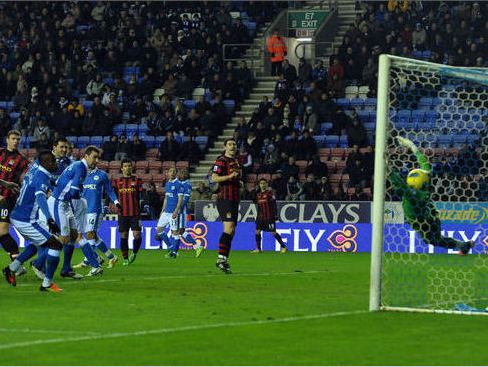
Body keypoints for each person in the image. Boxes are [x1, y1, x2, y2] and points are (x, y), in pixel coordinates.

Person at [392, 137, 473, 254]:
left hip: (421, 222)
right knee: (437, 239)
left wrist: (389, 171)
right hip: (432, 217)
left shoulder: (412, 196)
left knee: (432, 241)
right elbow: (424, 163)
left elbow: (400, 186)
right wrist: (412, 146)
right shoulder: (426, 182)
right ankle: (464, 245)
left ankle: (463, 245)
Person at [2, 151, 63, 292]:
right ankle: (47, 284)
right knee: (56, 244)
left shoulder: (35, 167)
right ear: (45, 163)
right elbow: (41, 198)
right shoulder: (41, 177)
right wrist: (49, 219)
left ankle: (11, 269)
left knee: (37, 244)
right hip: (26, 219)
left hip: (21, 215)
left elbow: (46, 178)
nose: (55, 163)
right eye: (52, 161)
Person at [43, 146, 102, 279]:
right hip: (58, 202)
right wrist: (79, 200)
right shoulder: (80, 168)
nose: (97, 160)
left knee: (76, 235)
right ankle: (40, 264)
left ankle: (92, 266)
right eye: (94, 157)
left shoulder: (76, 165)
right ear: (86, 156)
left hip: (65, 203)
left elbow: (58, 182)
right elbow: (74, 191)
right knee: (63, 239)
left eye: (98, 158)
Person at [73, 167, 121, 270]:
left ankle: (88, 261)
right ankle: (111, 257)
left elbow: (109, 189)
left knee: (90, 234)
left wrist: (116, 202)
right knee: (93, 236)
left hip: (96, 209)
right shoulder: (82, 173)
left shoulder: (101, 174)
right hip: (84, 209)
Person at [0, 130, 30, 275]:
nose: (16, 141)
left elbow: (24, 182)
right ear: (7, 139)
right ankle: (17, 263)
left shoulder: (22, 160)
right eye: (13, 138)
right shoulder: (0, 153)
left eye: (18, 139)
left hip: (6, 199)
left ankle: (17, 264)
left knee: (2, 232)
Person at [211, 138, 241, 273]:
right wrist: (229, 177)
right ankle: (220, 259)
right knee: (228, 227)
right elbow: (214, 178)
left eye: (234, 144)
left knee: (232, 230)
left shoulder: (236, 161)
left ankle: (224, 259)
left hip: (235, 199)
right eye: (230, 144)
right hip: (225, 198)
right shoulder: (221, 160)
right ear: (225, 147)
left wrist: (239, 183)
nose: (232, 146)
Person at [112, 159, 144, 265]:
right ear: (121, 168)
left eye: (129, 166)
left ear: (132, 167)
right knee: (123, 235)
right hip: (122, 213)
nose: (127, 168)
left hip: (135, 213)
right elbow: (112, 194)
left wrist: (145, 203)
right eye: (125, 166)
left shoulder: (137, 179)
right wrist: (109, 204)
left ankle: (134, 253)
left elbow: (143, 194)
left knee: (137, 235)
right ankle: (125, 258)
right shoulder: (117, 181)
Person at [172, 168, 204, 258]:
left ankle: (196, 246)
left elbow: (185, 200)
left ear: (185, 175)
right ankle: (174, 252)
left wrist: (178, 209)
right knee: (177, 231)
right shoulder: (179, 184)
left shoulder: (187, 185)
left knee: (180, 231)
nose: (178, 174)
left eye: (180, 172)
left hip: (181, 211)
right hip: (176, 209)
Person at [155, 166, 184, 258]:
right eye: (170, 171)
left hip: (173, 212)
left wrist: (176, 211)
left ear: (175, 173)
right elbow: (166, 198)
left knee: (175, 232)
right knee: (159, 229)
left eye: (173, 171)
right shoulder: (167, 184)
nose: (171, 173)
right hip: (166, 212)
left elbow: (180, 199)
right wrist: (162, 211)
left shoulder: (179, 184)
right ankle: (170, 246)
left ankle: (174, 253)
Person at [252, 178, 287, 253]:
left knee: (273, 232)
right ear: (259, 185)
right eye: (261, 183)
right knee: (257, 231)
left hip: (269, 217)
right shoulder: (258, 194)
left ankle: (284, 247)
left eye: (264, 183)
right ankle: (258, 249)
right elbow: (254, 201)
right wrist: (254, 191)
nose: (262, 185)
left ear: (267, 184)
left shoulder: (269, 194)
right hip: (260, 217)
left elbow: (274, 204)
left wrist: (275, 215)